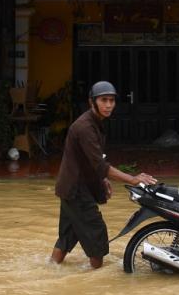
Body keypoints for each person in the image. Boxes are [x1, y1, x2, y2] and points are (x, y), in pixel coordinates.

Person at [51, 80, 157, 269]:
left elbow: (93, 159)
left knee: (67, 236)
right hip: (76, 190)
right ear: (92, 102)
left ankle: (49, 271)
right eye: (104, 100)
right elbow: (100, 164)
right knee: (97, 235)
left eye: (112, 100)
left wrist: (103, 178)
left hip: (70, 188)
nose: (109, 105)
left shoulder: (95, 123)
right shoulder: (85, 127)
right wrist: (133, 179)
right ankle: (97, 279)